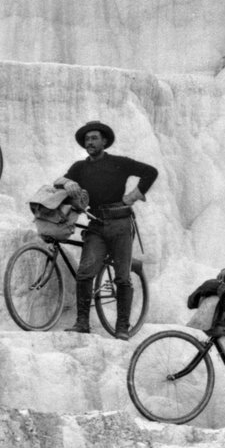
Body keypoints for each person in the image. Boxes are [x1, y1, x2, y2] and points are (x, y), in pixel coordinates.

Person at [61, 121, 157, 339]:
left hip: (121, 224)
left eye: (94, 138)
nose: (90, 142)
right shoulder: (79, 168)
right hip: (96, 226)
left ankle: (122, 327)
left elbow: (150, 172)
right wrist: (66, 182)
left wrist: (133, 196)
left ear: (104, 141)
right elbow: (59, 183)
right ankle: (82, 323)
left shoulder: (119, 163)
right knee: (85, 272)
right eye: (87, 139)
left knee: (122, 277)